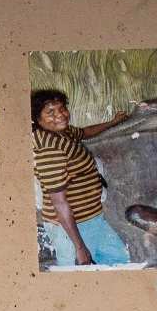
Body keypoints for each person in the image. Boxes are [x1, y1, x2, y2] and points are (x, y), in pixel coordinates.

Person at [31, 89, 132, 268]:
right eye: (50, 112)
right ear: (37, 119)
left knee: (119, 261)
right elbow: (59, 203)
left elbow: (84, 132)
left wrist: (113, 122)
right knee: (75, 272)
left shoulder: (62, 133)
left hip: (92, 219)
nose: (60, 115)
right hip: (72, 230)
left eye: (62, 108)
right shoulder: (49, 150)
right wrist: (79, 247)